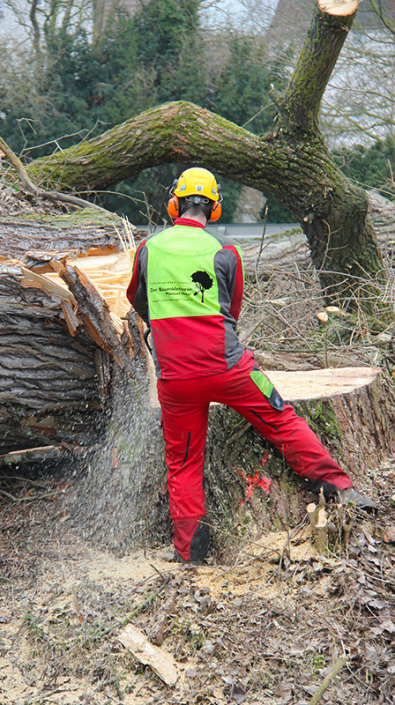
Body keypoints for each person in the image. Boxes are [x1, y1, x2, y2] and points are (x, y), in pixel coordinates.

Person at [126, 167, 377, 564]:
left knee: (184, 461)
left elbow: (139, 303)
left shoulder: (147, 248)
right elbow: (233, 310)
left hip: (174, 379)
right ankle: (340, 489)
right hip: (229, 369)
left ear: (174, 203)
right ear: (214, 207)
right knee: (282, 418)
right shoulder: (225, 250)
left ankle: (191, 553)